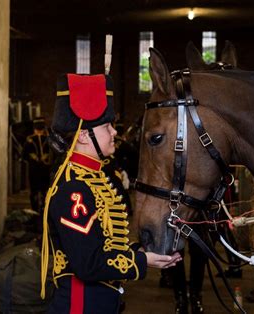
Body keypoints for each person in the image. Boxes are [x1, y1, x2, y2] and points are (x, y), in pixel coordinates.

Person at [40, 73, 181, 313]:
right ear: (84, 135)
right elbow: (88, 264)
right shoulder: (74, 188)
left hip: (102, 300)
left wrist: (142, 252)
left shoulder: (96, 177)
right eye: (107, 126)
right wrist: (142, 262)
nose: (114, 132)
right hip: (81, 304)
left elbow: (104, 244)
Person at [22, 116, 51, 214]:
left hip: (37, 169)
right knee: (42, 190)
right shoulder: (48, 140)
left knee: (37, 190)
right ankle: (42, 210)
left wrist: (33, 157)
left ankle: (37, 210)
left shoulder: (30, 140)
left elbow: (24, 156)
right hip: (42, 169)